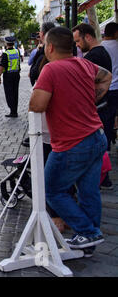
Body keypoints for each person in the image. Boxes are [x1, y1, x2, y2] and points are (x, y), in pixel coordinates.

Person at [29, 26, 111, 251]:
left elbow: (37, 105)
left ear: (50, 47)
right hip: (96, 136)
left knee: (52, 190)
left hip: (72, 143)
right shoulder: (85, 64)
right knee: (88, 192)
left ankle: (87, 231)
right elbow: (106, 76)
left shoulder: (51, 69)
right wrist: (89, 99)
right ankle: (90, 242)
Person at [72, 23, 113, 190]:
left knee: (96, 147)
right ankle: (103, 178)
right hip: (102, 106)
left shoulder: (93, 57)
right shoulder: (99, 52)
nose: (77, 45)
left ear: (87, 37)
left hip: (99, 108)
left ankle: (100, 178)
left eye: (78, 41)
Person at [101, 22, 118, 147]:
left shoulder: (100, 47)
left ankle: (106, 147)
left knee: (106, 119)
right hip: (116, 87)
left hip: (105, 88)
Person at [0, 37, 21, 118]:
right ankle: (15, 111)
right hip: (16, 75)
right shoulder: (17, 51)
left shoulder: (6, 54)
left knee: (9, 93)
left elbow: (2, 67)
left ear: (6, 44)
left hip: (8, 76)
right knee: (15, 93)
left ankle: (12, 111)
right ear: (13, 44)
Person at [30, 22, 56, 86]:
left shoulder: (44, 54)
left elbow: (34, 73)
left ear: (42, 34)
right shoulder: (56, 48)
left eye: (40, 31)